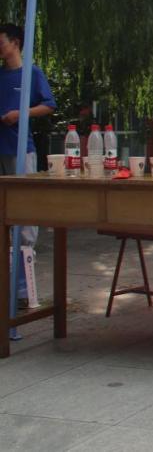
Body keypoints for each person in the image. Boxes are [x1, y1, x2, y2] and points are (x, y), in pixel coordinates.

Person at [0, 23, 55, 304]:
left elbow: (49, 104)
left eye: (1, 41)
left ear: (15, 42)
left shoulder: (32, 73)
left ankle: (24, 292)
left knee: (25, 219)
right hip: (1, 150)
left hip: (21, 151)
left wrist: (20, 113)